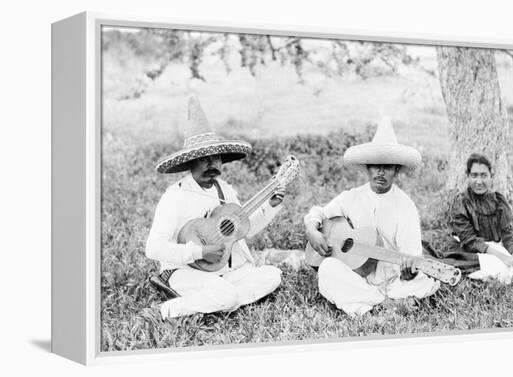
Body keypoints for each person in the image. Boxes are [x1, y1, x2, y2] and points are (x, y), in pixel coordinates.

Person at [146, 96, 284, 319]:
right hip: (184, 270)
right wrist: (200, 251)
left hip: (222, 271)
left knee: (273, 275)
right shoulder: (175, 196)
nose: (212, 165)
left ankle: (214, 300)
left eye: (216, 157)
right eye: (204, 159)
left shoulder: (225, 190)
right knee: (228, 295)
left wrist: (270, 206)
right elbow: (153, 248)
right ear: (190, 163)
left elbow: (240, 230)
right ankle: (164, 311)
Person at [304, 118, 439, 316]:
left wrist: (410, 273)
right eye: (375, 166)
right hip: (358, 274)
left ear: (397, 170)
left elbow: (412, 254)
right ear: (367, 168)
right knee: (328, 269)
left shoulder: (405, 206)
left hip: (394, 279)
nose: (381, 172)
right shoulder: (352, 196)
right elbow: (319, 212)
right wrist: (311, 229)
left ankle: (366, 303)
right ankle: (384, 303)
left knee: (422, 283)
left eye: (388, 166)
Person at [446, 153, 513, 283]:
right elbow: (470, 241)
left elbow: (507, 235)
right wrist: (503, 257)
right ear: (467, 176)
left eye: (484, 175)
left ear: (491, 176)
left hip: (494, 247)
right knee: (500, 268)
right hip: (471, 251)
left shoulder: (499, 201)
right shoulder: (461, 202)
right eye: (474, 175)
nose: (479, 181)